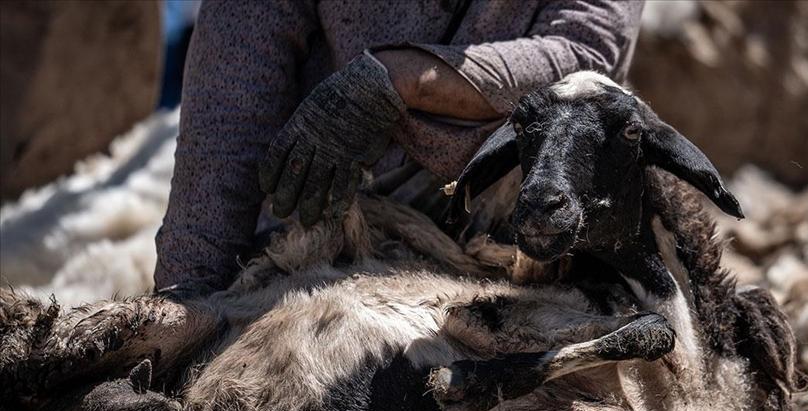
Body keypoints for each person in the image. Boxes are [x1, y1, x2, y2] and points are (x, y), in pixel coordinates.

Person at [155, 0, 645, 298]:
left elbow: (580, 55)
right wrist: (189, 292)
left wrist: (400, 79)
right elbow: (226, 114)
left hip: (530, 247)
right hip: (313, 235)